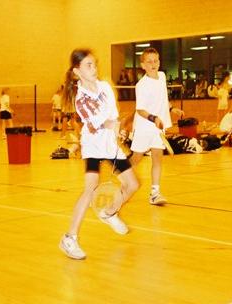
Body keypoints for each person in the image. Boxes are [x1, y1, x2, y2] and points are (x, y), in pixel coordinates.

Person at [59, 49, 139, 260]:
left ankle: (109, 212)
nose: (94, 69)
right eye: (89, 65)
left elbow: (113, 115)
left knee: (133, 185)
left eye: (94, 64)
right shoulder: (80, 98)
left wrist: (119, 129)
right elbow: (98, 124)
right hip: (93, 145)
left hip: (110, 144)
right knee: (90, 189)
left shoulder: (105, 87)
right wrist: (113, 124)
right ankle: (69, 238)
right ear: (77, 71)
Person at [129, 47, 172, 205]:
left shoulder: (162, 76)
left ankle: (155, 193)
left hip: (158, 127)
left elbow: (162, 99)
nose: (153, 64)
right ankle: (122, 176)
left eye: (155, 60)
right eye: (149, 61)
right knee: (136, 158)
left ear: (159, 62)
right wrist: (154, 118)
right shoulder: (141, 85)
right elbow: (140, 109)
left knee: (157, 158)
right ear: (143, 65)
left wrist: (172, 109)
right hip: (144, 126)